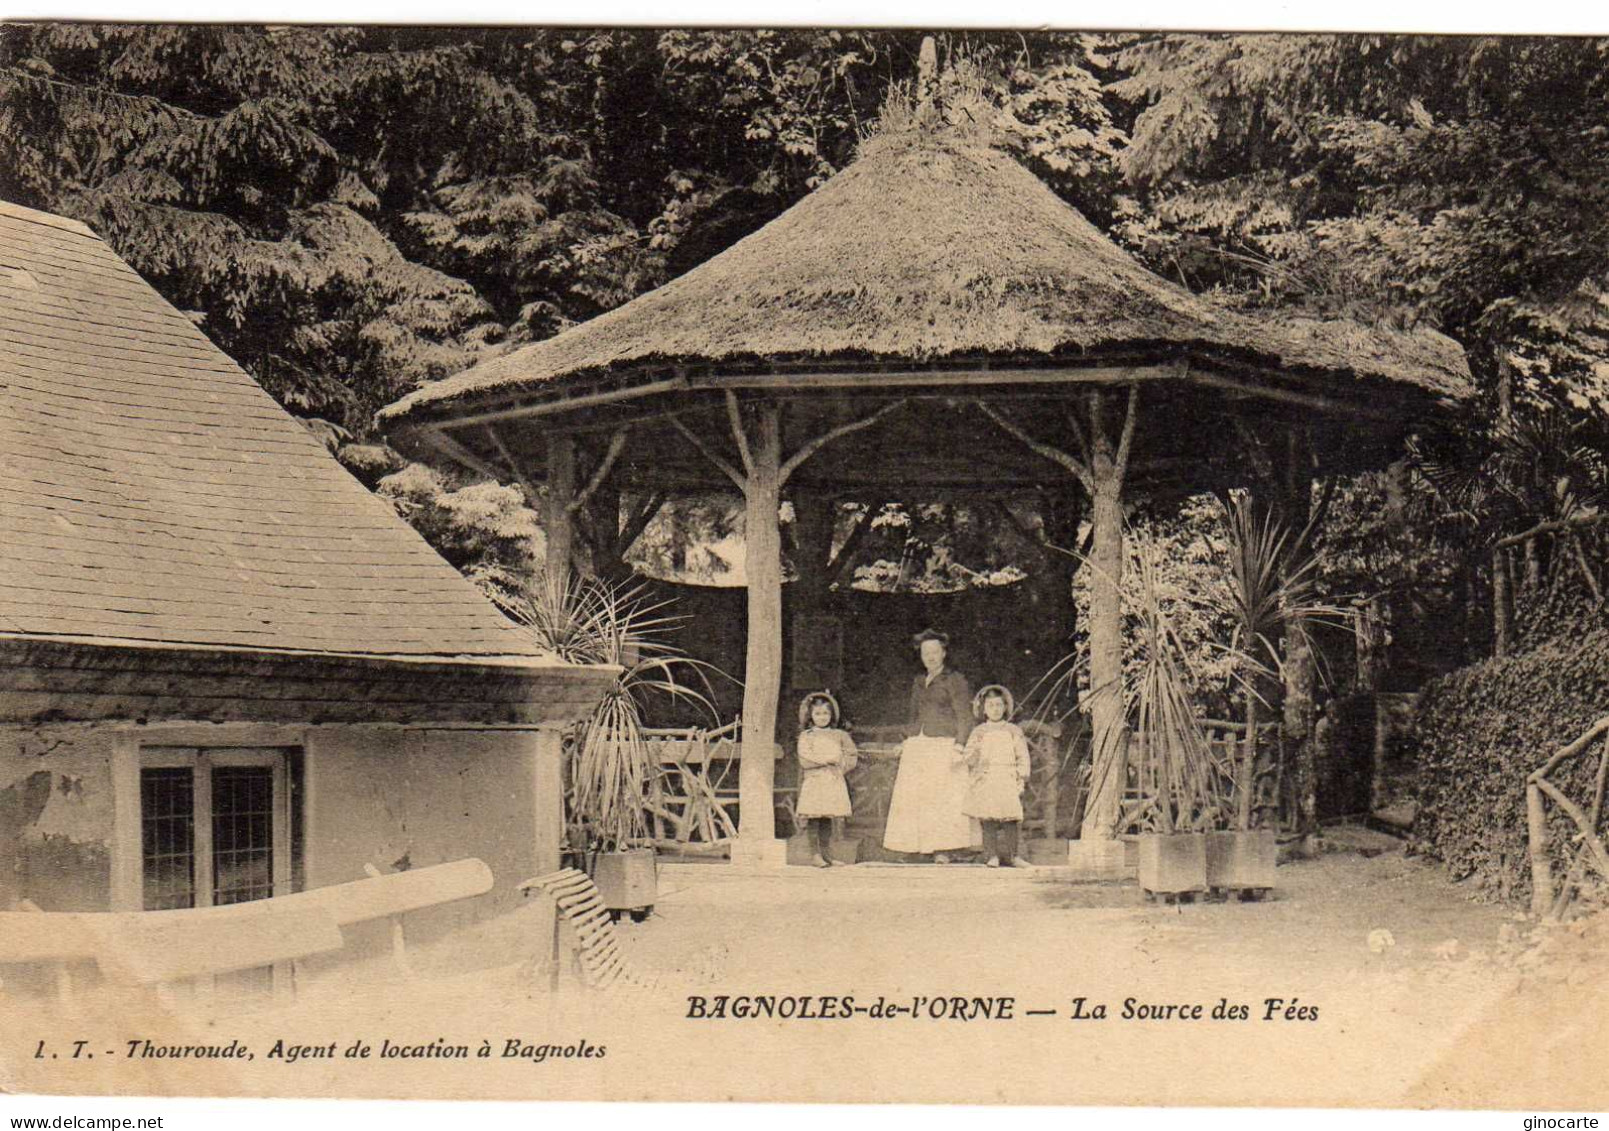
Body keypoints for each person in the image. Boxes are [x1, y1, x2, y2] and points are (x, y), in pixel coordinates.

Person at [882, 629, 980, 862]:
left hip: (944, 745)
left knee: (941, 798)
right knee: (915, 796)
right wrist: (906, 742)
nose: (931, 656)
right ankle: (915, 847)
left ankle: (942, 849)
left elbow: (964, 716)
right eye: (926, 652)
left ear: (944, 653)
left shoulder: (955, 680)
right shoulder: (918, 681)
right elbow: (914, 717)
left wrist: (959, 745)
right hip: (920, 744)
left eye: (935, 652)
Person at [962, 684, 1033, 868]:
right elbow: (968, 757)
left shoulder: (1013, 731)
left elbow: (1022, 755)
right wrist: (976, 752)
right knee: (988, 819)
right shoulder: (979, 732)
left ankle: (1014, 856)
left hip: (1007, 776)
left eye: (999, 705)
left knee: (1010, 818)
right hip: (987, 777)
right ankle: (991, 855)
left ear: (1005, 707)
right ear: (984, 709)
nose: (995, 709)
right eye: (991, 705)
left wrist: (1021, 776)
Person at [795, 690, 858, 868]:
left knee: (828, 818)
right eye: (817, 713)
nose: (822, 717)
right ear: (811, 715)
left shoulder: (840, 735)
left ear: (832, 715)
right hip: (815, 780)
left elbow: (851, 755)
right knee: (815, 817)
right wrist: (824, 761)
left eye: (825, 713)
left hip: (832, 779)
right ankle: (815, 854)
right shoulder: (807, 736)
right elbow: (804, 759)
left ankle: (827, 854)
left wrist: (841, 766)